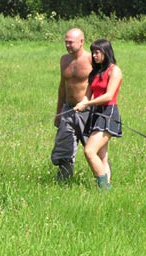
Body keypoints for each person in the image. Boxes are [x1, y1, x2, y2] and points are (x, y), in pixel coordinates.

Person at [74, 39, 122, 189]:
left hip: (109, 112)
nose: (94, 55)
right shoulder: (94, 73)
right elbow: (88, 95)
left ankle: (104, 188)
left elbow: (108, 96)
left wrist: (87, 104)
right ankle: (106, 189)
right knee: (102, 156)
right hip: (96, 113)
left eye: (97, 52)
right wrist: (82, 103)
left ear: (106, 52)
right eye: (93, 52)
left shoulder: (114, 70)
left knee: (89, 151)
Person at [51, 28, 92, 182]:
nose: (67, 45)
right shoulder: (64, 60)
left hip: (88, 110)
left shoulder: (91, 60)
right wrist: (58, 112)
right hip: (68, 109)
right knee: (64, 146)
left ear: (81, 42)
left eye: (71, 42)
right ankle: (64, 180)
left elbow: (100, 86)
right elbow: (62, 87)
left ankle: (103, 180)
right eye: (66, 42)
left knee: (92, 148)